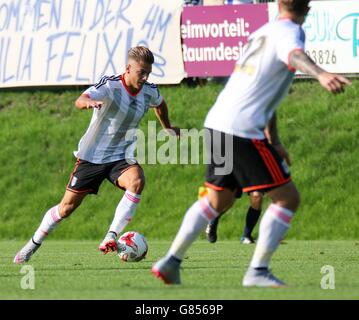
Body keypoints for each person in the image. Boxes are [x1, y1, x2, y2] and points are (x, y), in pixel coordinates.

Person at [152, 0, 351, 287]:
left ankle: (171, 262)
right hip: (241, 130)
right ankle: (257, 271)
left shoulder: (262, 33)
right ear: (307, 7)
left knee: (217, 200)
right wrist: (321, 74)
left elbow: (265, 92)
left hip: (218, 122)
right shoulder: (290, 32)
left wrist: (275, 140)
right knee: (287, 198)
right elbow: (294, 55)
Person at [14, 46, 180, 264]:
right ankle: (31, 245)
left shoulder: (149, 90)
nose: (146, 76)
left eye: (148, 72)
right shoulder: (110, 85)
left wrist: (167, 128)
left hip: (120, 156)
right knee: (66, 208)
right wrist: (88, 103)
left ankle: (111, 236)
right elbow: (81, 98)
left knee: (137, 181)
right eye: (142, 72)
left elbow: (160, 105)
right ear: (128, 68)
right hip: (91, 157)